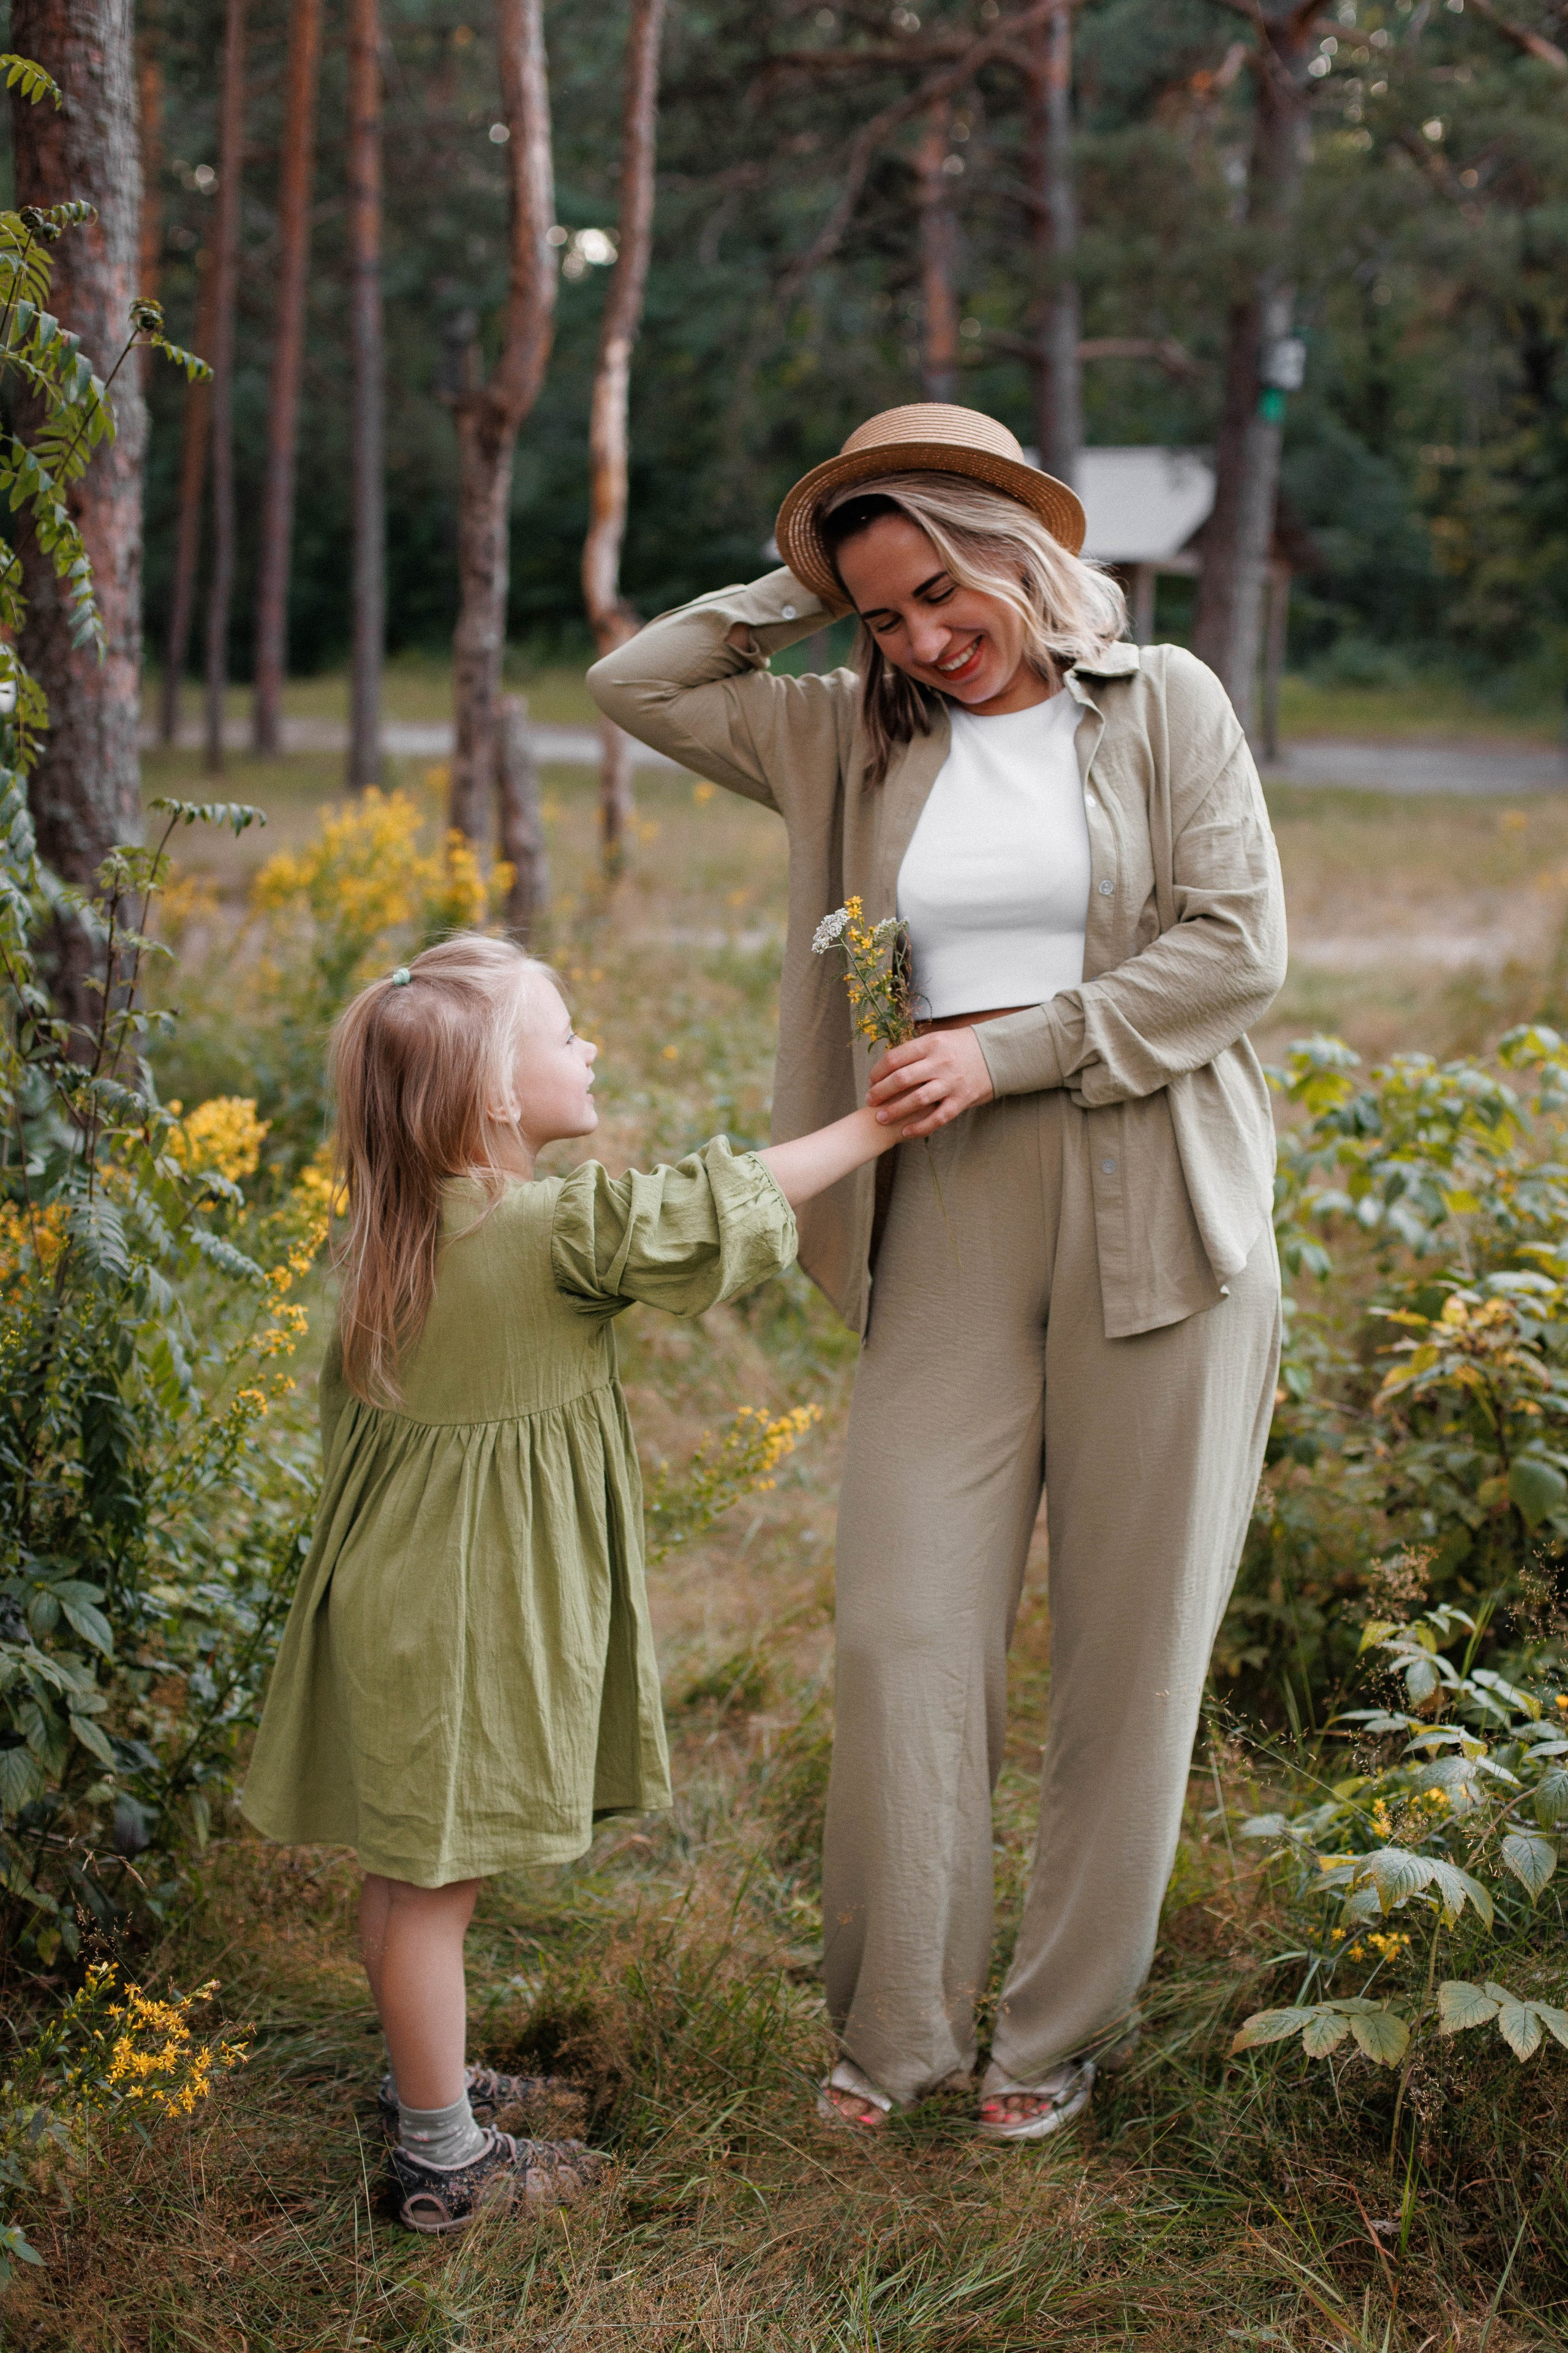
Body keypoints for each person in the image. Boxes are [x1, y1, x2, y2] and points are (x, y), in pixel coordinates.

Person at [588, 403, 1287, 2142]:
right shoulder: (850, 732)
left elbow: (1237, 948)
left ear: (1012, 550)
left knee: (1130, 1654)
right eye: (884, 611)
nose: (921, 640)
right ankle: (896, 2031)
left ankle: (1048, 2038)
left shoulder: (1167, 701)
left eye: (937, 596)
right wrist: (808, 576)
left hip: (1161, 1202)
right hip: (942, 1204)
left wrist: (1019, 1046)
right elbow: (641, 684)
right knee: (908, 1626)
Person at [242, 934, 905, 2230]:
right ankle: (446, 2165)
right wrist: (871, 1125)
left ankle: (419, 2082)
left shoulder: (396, 1228)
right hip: (464, 1613)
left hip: (395, 1597)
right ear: (495, 1096)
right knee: (434, 1893)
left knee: (404, 1872)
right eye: (563, 1033)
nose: (587, 1049)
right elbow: (710, 1208)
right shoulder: (547, 1230)